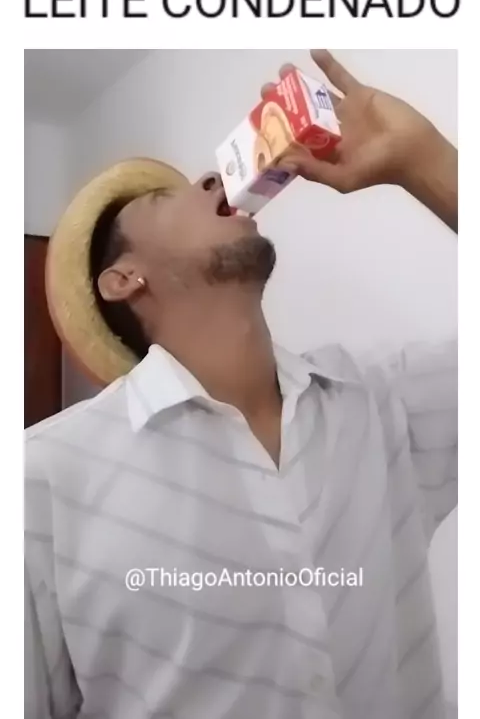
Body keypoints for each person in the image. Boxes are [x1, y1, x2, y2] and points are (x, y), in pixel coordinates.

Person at [25, 50, 457, 719]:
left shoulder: (380, 402)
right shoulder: (42, 478)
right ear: (123, 279)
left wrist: (423, 159)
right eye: (165, 197)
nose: (210, 178)